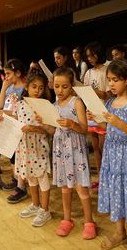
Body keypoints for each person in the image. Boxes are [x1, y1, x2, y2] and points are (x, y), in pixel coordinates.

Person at [92, 59, 127, 250]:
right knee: (117, 192)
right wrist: (97, 120)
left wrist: (119, 123)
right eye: (109, 80)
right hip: (111, 155)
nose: (111, 84)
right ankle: (120, 232)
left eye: (115, 80)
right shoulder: (109, 102)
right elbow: (107, 127)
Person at [47, 67, 97, 240]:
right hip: (60, 150)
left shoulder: (76, 102)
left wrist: (71, 124)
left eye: (65, 87)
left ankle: (89, 222)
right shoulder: (53, 105)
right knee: (65, 188)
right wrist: (43, 123)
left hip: (75, 150)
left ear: (72, 86)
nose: (60, 90)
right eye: (57, 86)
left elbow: (84, 129)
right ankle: (67, 219)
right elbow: (53, 131)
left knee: (81, 189)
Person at [12, 70, 54, 227]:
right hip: (24, 148)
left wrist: (34, 129)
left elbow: (49, 130)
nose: (37, 90)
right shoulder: (20, 104)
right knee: (30, 176)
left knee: (42, 177)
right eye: (34, 86)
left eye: (41, 87)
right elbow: (17, 121)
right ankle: (35, 205)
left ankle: (45, 210)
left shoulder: (44, 106)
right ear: (27, 87)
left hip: (39, 147)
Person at [0, 58, 28, 201]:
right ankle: (16, 180)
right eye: (5, 74)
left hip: (20, 126)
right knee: (12, 155)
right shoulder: (9, 88)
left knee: (20, 157)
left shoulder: (26, 88)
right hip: (9, 125)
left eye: (9, 73)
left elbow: (22, 112)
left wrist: (6, 113)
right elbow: (0, 104)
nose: (7, 77)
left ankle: (22, 186)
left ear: (18, 72)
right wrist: (4, 87)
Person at [83, 41, 109, 189]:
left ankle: (106, 178)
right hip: (91, 113)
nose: (89, 59)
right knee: (96, 149)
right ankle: (100, 178)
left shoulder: (106, 70)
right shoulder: (89, 72)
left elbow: (108, 94)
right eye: (87, 56)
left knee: (103, 147)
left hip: (104, 113)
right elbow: (86, 92)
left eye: (91, 55)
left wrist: (93, 91)